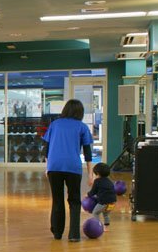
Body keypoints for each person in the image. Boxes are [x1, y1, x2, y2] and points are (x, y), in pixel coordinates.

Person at [42, 98, 93, 242]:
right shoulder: (82, 127)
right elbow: (88, 153)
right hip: (73, 167)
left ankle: (57, 233)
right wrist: (90, 174)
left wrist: (48, 167)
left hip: (54, 167)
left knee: (57, 200)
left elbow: (45, 149)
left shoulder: (55, 124)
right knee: (74, 200)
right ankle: (74, 235)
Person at [87, 162, 117, 229]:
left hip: (104, 202)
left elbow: (93, 192)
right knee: (106, 214)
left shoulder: (97, 181)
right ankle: (106, 227)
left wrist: (87, 195)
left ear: (97, 173)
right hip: (113, 202)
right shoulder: (110, 181)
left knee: (95, 213)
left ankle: (98, 226)